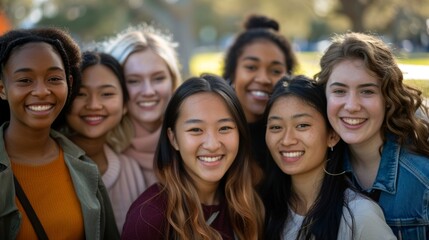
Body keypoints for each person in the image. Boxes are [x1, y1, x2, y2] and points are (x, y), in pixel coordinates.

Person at [0, 28, 119, 239]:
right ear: (2, 88)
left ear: (69, 84)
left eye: (54, 79)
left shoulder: (84, 167)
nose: (42, 91)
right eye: (25, 80)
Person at [121, 74, 264, 240]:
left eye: (224, 128)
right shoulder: (149, 218)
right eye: (196, 130)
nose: (212, 145)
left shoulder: (250, 204)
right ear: (173, 138)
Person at [316, 32, 429, 239]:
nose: (351, 106)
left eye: (367, 91)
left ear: (388, 98)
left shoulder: (423, 180)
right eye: (339, 91)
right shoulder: (321, 169)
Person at [261, 75, 396, 239]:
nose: (287, 140)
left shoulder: (360, 216)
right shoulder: (262, 210)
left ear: (332, 135)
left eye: (302, 125)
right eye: (276, 127)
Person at [62, 51, 146, 233]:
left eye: (107, 94)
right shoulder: (49, 161)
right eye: (80, 94)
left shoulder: (130, 169)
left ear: (125, 105)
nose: (93, 105)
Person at [101, 24, 182, 187]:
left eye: (158, 78)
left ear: (173, 82)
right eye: (133, 81)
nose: (148, 91)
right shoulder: (99, 151)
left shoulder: (193, 139)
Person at [223, 14, 298, 171]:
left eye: (276, 70)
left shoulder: (294, 139)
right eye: (251, 67)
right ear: (232, 72)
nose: (263, 79)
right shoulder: (216, 133)